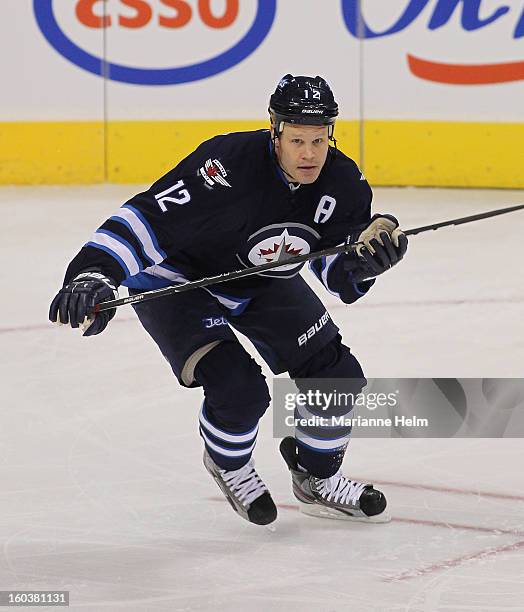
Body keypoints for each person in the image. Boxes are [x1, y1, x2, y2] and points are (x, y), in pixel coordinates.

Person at [49, 75, 408, 526]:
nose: (309, 154)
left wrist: (366, 261)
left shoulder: (343, 181)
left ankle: (316, 478)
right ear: (275, 130)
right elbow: (146, 220)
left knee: (337, 377)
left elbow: (334, 269)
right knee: (239, 390)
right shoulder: (225, 165)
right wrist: (94, 273)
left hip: (254, 276)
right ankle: (229, 464)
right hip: (176, 278)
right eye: (297, 139)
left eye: (319, 140)